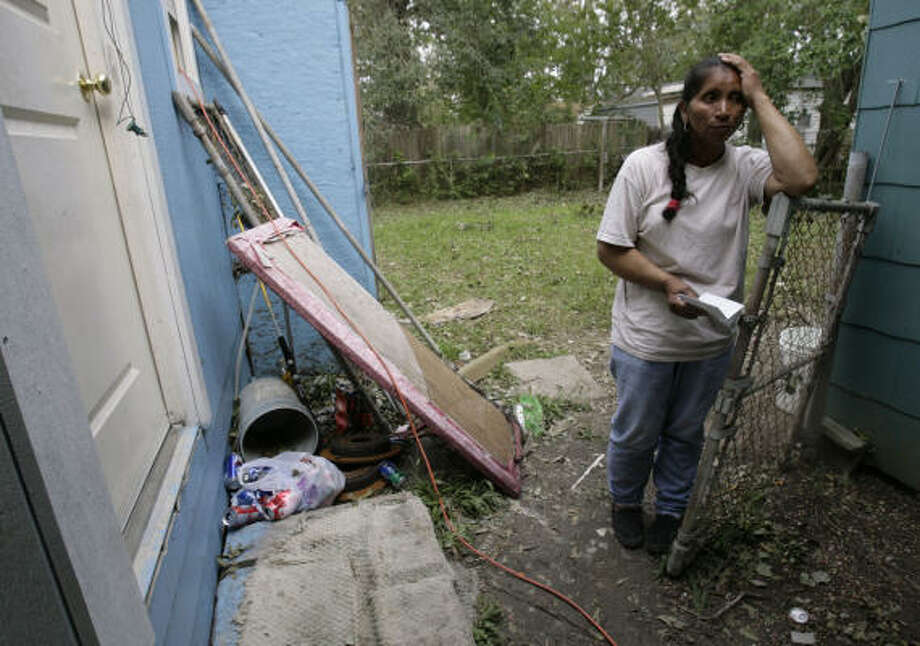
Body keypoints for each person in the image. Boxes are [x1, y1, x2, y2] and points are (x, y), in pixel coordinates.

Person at [596, 53, 817, 554]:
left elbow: (802, 177)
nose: (724, 110)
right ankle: (625, 501)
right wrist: (665, 282)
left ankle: (672, 509)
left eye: (735, 99)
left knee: (686, 433)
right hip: (648, 338)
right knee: (636, 433)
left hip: (710, 338)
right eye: (710, 97)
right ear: (684, 108)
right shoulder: (643, 167)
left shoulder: (745, 167)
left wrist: (761, 95)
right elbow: (611, 249)